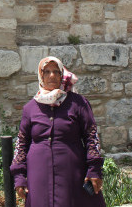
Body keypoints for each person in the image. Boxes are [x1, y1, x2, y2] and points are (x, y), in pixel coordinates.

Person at [10, 56, 106, 207]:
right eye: (46, 72)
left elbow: (91, 136)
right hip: (38, 173)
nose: (52, 76)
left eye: (56, 71)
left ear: (62, 75)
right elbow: (21, 144)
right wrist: (19, 177)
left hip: (72, 172)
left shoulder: (78, 103)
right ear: (40, 75)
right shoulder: (30, 108)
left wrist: (94, 169)